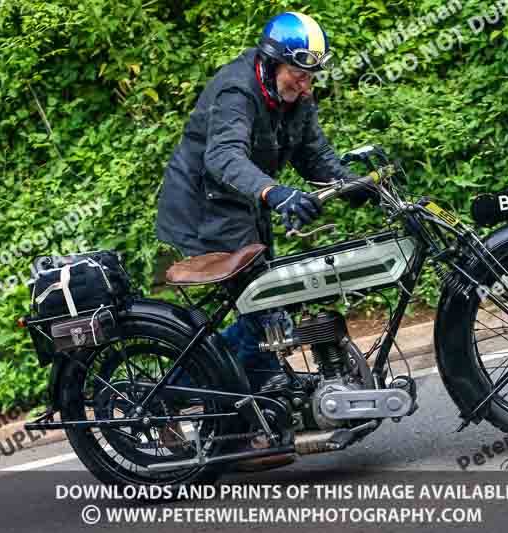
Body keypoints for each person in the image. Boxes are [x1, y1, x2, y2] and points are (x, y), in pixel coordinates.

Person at [155, 12, 376, 469]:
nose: (307, 86)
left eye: (313, 75)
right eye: (299, 75)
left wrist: (358, 186)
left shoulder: (295, 96)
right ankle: (176, 398)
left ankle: (264, 413)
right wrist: (275, 192)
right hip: (205, 210)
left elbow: (316, 156)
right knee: (262, 310)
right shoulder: (238, 90)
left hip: (245, 207)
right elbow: (222, 157)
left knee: (270, 308)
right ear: (271, 63)